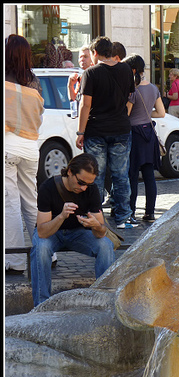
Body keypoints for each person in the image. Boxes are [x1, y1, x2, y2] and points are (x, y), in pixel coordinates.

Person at [30, 154, 115, 306]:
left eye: (88, 184)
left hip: (78, 233)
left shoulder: (91, 190)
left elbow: (101, 232)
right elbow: (42, 232)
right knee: (41, 248)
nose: (83, 188)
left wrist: (95, 225)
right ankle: (41, 305)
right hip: (51, 233)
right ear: (69, 171)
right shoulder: (48, 187)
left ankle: (106, 301)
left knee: (105, 245)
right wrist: (61, 216)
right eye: (81, 182)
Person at [76, 35, 137, 229]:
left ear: (95, 53)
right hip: (120, 128)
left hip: (96, 130)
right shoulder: (126, 69)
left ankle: (94, 214)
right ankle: (124, 217)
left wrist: (80, 132)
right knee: (121, 175)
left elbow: (86, 106)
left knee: (95, 175)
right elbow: (128, 96)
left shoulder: (91, 73)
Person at [5, 34, 45, 275]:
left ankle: (15, 261)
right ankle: (45, 253)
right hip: (31, 148)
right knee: (32, 203)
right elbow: (40, 114)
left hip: (7, 147)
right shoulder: (34, 81)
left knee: (9, 205)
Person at [123, 54, 165, 223]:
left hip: (135, 134)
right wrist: (147, 114)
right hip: (149, 133)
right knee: (149, 175)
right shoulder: (153, 88)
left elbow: (127, 113)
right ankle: (150, 212)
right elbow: (161, 113)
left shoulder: (133, 88)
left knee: (132, 175)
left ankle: (131, 212)